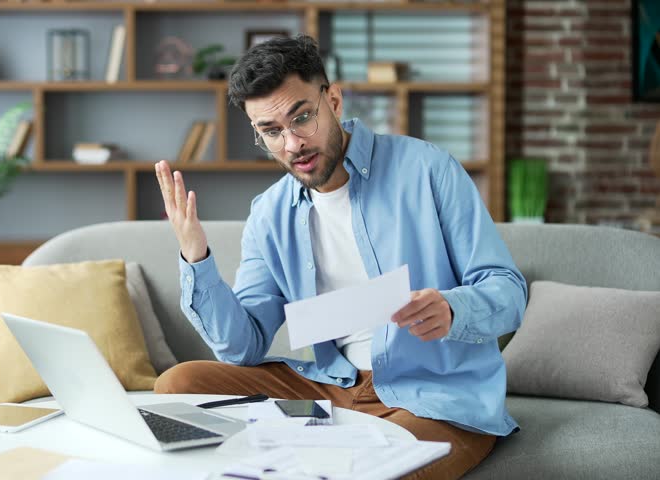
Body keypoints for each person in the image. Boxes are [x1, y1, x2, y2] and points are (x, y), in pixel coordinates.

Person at [153, 35, 527, 479]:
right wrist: (195, 255)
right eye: (271, 132)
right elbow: (242, 345)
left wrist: (452, 308)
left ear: (332, 99)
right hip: (332, 391)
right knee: (180, 384)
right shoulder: (270, 213)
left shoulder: (427, 169)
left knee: (376, 470)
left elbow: (508, 291)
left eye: (302, 118)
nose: (292, 144)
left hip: (431, 396)